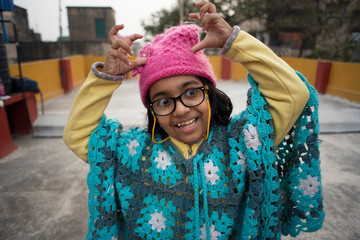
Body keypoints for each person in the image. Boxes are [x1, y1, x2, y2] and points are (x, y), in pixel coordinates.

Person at [63, 1, 324, 239]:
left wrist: (235, 43)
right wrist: (104, 81)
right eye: (163, 101)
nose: (180, 110)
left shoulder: (246, 142)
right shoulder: (132, 151)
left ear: (209, 93)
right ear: (151, 109)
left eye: (191, 92)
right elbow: (79, 134)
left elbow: (294, 94)